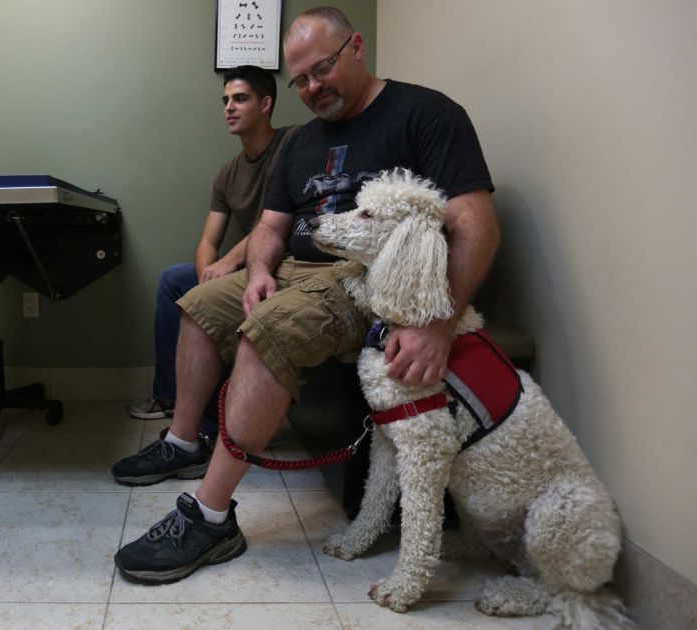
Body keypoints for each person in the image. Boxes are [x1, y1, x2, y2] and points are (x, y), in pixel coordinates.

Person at [114, 6, 500, 583]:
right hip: (294, 266)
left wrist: (436, 322)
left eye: (322, 69)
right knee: (197, 303)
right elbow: (269, 227)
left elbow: (477, 224)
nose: (312, 88)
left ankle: (212, 516)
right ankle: (182, 441)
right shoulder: (299, 142)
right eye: (300, 80)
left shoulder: (427, 113)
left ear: (357, 48)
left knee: (267, 330)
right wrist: (262, 270)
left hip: (365, 280)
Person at [116, 67, 295, 484]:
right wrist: (205, 278)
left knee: (210, 286)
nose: (229, 107)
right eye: (226, 101)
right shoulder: (228, 173)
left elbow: (272, 225)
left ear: (266, 104)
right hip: (242, 266)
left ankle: (205, 428)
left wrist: (230, 264)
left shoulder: (292, 145)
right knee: (174, 281)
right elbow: (206, 243)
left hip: (280, 261)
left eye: (241, 99)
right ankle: (171, 399)